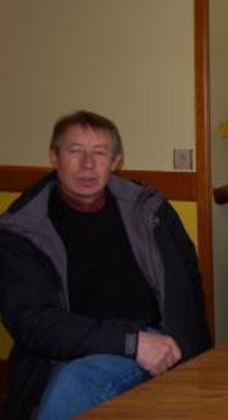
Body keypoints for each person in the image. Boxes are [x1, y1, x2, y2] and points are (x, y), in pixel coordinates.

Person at [0, 110, 211, 419]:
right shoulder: (22, 229)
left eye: (99, 153)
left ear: (116, 161)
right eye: (75, 152)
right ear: (54, 157)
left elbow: (189, 281)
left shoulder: (150, 210)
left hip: (157, 338)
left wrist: (197, 358)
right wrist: (130, 343)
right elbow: (33, 322)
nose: (87, 165)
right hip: (71, 352)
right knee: (73, 385)